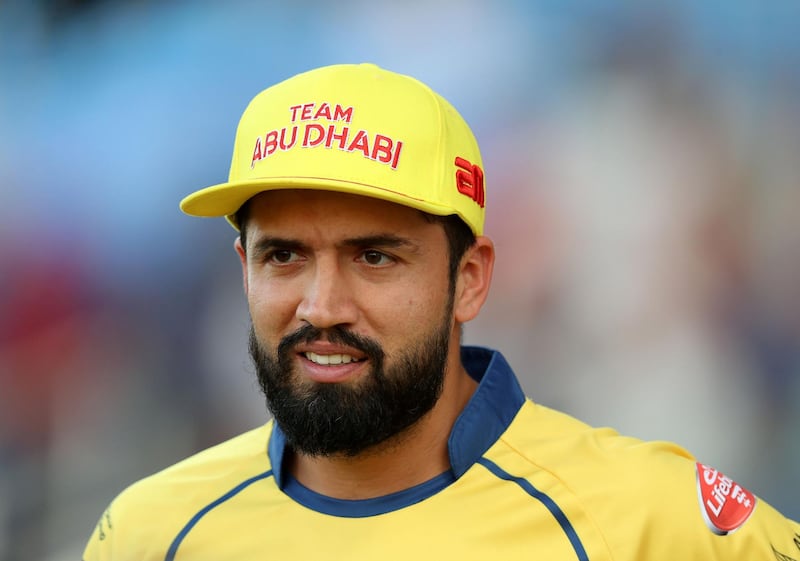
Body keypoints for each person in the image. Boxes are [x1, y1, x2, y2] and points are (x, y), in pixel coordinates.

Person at [83, 63, 800, 560]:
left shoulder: (649, 523)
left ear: (471, 279)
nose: (322, 306)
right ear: (244, 270)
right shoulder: (151, 533)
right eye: (284, 256)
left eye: (375, 257)